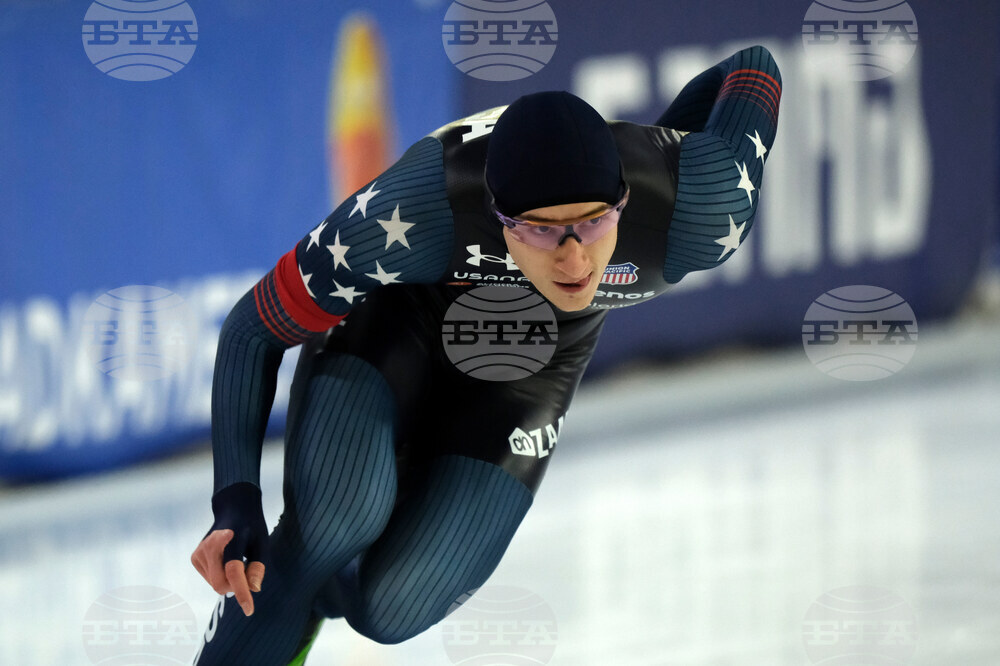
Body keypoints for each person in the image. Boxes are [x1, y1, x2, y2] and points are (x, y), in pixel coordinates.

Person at [190, 45, 782, 664]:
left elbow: (753, 65)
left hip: (535, 365)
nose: (575, 260)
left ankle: (319, 587)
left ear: (624, 205)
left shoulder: (702, 209)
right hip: (401, 318)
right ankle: (302, 572)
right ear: (497, 218)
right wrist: (234, 500)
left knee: (389, 610)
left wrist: (663, 141)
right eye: (542, 231)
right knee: (335, 520)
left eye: (595, 223)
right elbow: (251, 329)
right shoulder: (416, 209)